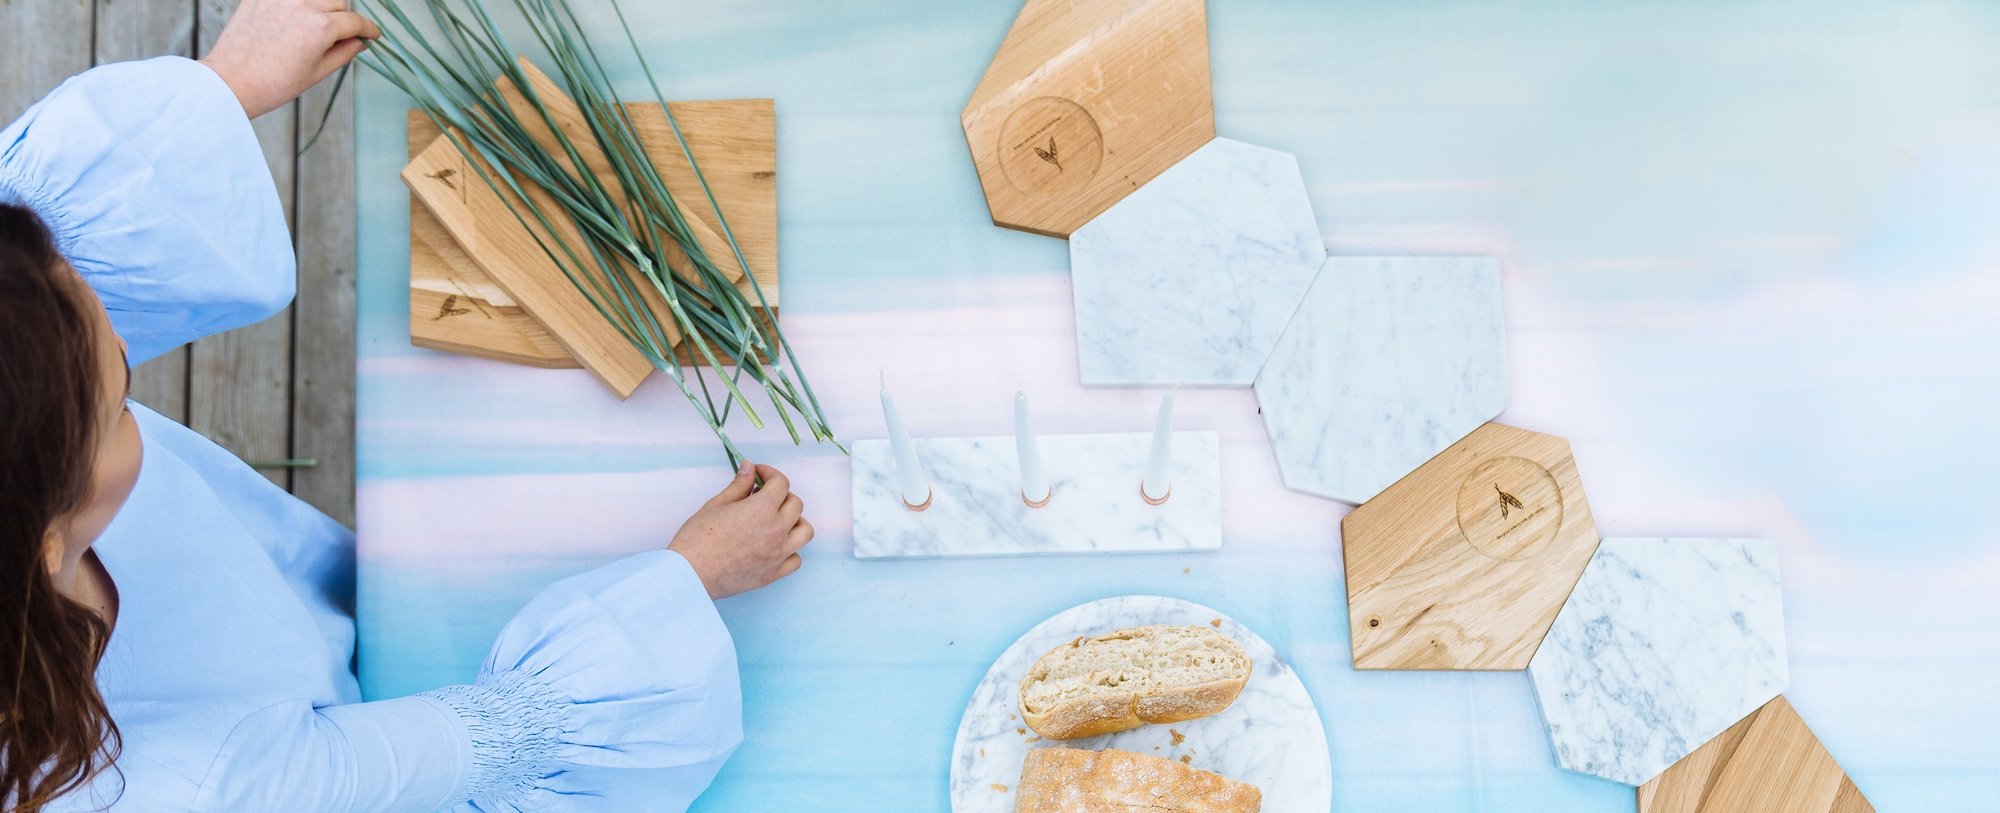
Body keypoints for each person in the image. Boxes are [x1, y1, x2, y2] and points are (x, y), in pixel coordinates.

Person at [0, 1, 814, 810]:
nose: (122, 347)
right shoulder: (191, 784)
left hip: (275, 606)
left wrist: (229, 81)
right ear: (43, 543)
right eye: (118, 402)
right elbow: (493, 740)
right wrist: (688, 580)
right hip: (329, 713)